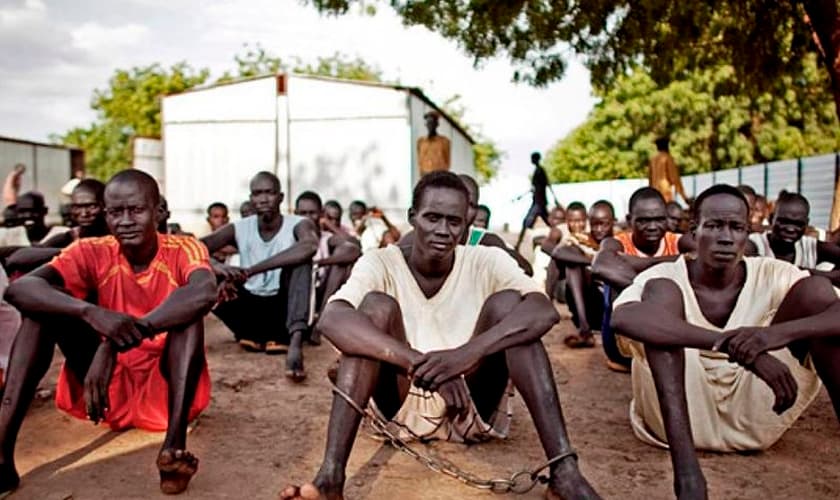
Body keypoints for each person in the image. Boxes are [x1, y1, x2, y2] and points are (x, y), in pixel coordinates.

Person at [280, 172, 599, 500]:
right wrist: (421, 365)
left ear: (467, 223)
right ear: (412, 217)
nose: (443, 231)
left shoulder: (486, 259)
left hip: (472, 406)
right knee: (374, 309)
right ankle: (330, 478)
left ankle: (565, 472)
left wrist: (466, 355)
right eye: (432, 218)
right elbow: (332, 318)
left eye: (453, 221)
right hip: (399, 405)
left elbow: (543, 311)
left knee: (510, 308)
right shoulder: (380, 262)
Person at [610, 184, 840, 500]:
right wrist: (729, 344)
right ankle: (688, 477)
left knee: (817, 294)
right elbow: (623, 319)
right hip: (675, 420)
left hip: (758, 416)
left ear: (748, 234)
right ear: (694, 231)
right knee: (660, 299)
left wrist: (773, 335)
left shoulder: (773, 273)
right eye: (715, 225)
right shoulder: (664, 274)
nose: (726, 237)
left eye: (736, 227)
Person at [0, 169, 217, 495]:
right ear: (106, 214)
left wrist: (115, 342)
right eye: (116, 212)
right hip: (104, 395)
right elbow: (21, 289)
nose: (126, 220)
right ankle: (2, 454)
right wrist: (91, 312)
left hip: (165, 395)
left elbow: (204, 293)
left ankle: (172, 450)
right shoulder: (91, 250)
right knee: (39, 313)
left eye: (136, 210)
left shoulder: (183, 248)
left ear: (158, 212)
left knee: (188, 316)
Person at [202, 172, 318, 382]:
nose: (263, 199)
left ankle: (295, 345)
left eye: (269, 193)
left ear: (281, 197)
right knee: (203, 272)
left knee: (301, 263)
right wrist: (218, 267)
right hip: (250, 310)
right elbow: (195, 248)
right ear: (251, 198)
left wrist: (251, 270)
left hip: (282, 314)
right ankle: (250, 335)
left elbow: (309, 246)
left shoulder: (299, 224)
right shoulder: (240, 227)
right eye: (257, 193)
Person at [592, 187, 682, 371]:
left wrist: (643, 263)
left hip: (667, 332)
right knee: (615, 280)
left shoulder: (677, 241)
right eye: (644, 221)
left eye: (659, 219)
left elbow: (700, 256)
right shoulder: (616, 243)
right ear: (629, 220)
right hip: (622, 346)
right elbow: (600, 266)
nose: (652, 226)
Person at [543, 201, 616, 348]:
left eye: (604, 224)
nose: (599, 229)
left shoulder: (619, 240)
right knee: (571, 263)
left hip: (611, 307)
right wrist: (592, 262)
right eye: (595, 224)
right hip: (587, 305)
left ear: (613, 222)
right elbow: (557, 252)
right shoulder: (581, 238)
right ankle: (584, 330)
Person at [294, 191, 361, 337]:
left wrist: (319, 262)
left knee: (341, 262)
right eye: (302, 213)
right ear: (295, 214)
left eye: (312, 213)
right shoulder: (290, 236)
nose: (307, 218)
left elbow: (354, 248)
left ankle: (322, 318)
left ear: (321, 214)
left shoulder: (326, 238)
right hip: (297, 293)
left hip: (321, 292)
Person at [749, 191, 840, 283]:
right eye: (784, 222)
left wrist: (805, 273)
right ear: (771, 219)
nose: (790, 229)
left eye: (798, 224)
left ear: (806, 224)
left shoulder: (810, 246)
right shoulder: (755, 244)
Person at [515, 152, 551, 251]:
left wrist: (555, 199)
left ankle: (518, 245)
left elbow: (545, 185)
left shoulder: (539, 171)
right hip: (539, 202)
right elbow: (537, 188)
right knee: (549, 223)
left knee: (526, 222)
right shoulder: (539, 170)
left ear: (535, 159)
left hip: (538, 203)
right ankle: (517, 245)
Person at [649, 137, 690, 205]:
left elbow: (650, 180)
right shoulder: (668, 158)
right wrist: (685, 197)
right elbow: (675, 179)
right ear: (667, 146)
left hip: (655, 196)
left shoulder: (653, 160)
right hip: (665, 195)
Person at [416, 111, 451, 175]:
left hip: (440, 175)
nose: (430, 126)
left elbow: (447, 161)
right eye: (428, 123)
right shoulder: (421, 142)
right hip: (425, 175)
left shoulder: (444, 141)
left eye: (432, 123)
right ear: (425, 125)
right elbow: (419, 161)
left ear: (437, 124)